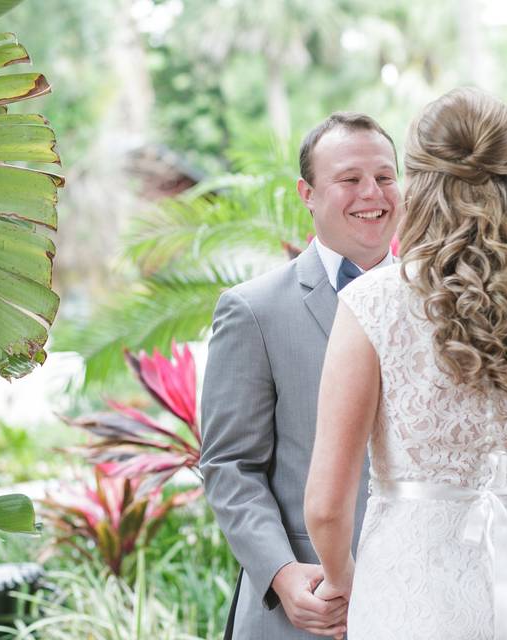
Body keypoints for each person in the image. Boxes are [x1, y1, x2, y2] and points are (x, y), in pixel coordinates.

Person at [304, 87, 507, 640]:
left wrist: (350, 581)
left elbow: (326, 508)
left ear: (419, 181)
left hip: (412, 587)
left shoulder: (375, 303)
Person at [200, 112, 402, 639]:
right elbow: (230, 465)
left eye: (384, 177)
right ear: (307, 193)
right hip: (308, 610)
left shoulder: (443, 305)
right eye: (349, 179)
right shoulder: (253, 310)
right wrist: (284, 575)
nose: (372, 193)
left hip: (420, 596)